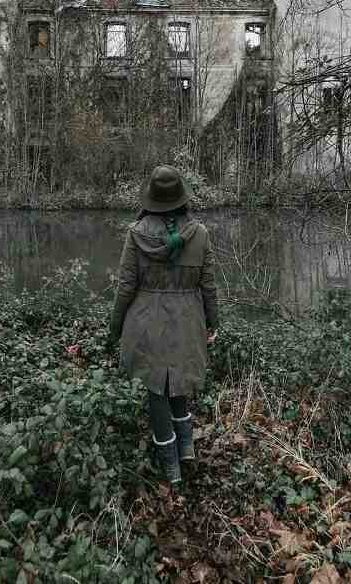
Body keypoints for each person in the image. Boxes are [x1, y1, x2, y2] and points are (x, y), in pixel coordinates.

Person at [109, 165, 218, 485]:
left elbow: (126, 286)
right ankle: (186, 450)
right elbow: (208, 286)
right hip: (187, 319)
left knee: (156, 389)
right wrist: (212, 323)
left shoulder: (136, 232)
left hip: (146, 322)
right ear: (182, 198)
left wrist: (114, 328)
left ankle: (171, 473)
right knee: (178, 381)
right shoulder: (200, 234)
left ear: (152, 199)